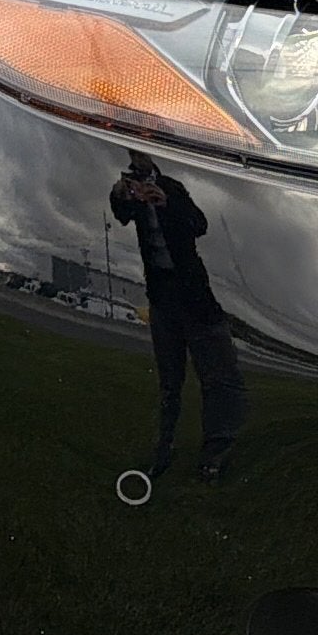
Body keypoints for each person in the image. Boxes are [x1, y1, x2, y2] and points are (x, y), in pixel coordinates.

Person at [108, 154, 246, 488]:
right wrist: (118, 195)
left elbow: (199, 225)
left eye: (141, 155)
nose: (136, 160)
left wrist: (166, 202)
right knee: (170, 380)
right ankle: (164, 449)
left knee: (217, 375)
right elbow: (122, 216)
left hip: (193, 295)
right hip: (161, 297)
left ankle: (215, 452)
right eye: (131, 156)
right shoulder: (129, 186)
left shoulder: (172, 186)